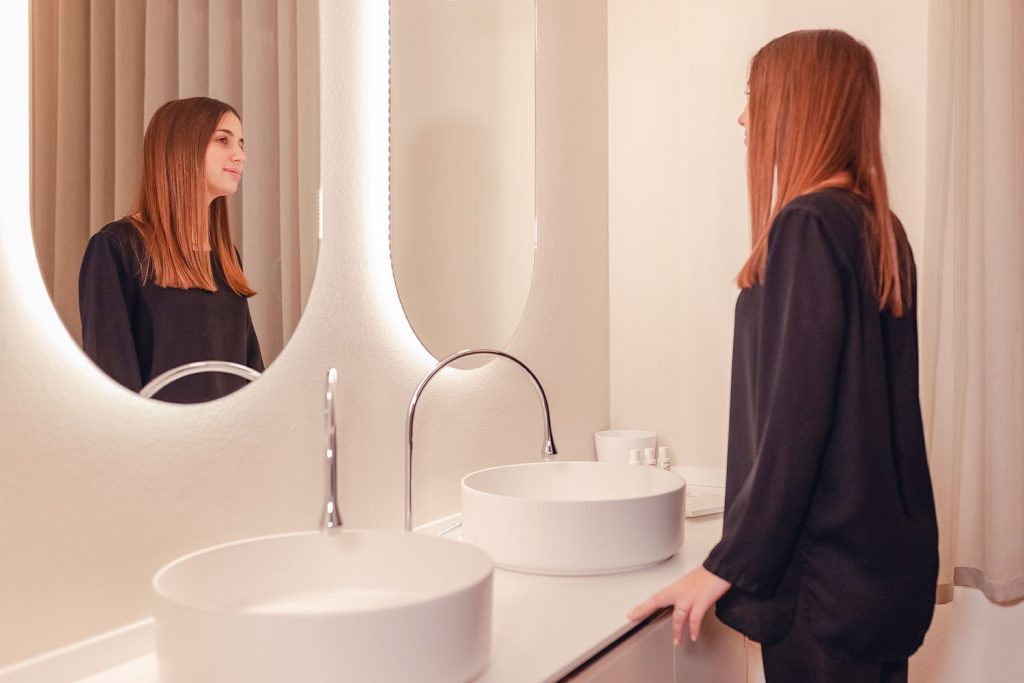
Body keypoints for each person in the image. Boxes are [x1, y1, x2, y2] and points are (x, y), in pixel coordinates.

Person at [628, 30, 939, 682]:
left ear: (799, 104)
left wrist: (725, 565)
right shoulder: (878, 226)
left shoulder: (808, 225)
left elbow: (797, 428)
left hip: (821, 585)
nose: (744, 117)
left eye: (755, 97)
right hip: (879, 578)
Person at [78, 97, 263, 404]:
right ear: (182, 148)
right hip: (158, 446)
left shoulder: (226, 257)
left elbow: (249, 372)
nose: (240, 155)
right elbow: (111, 382)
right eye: (222, 140)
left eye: (241, 143)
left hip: (228, 443)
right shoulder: (116, 249)